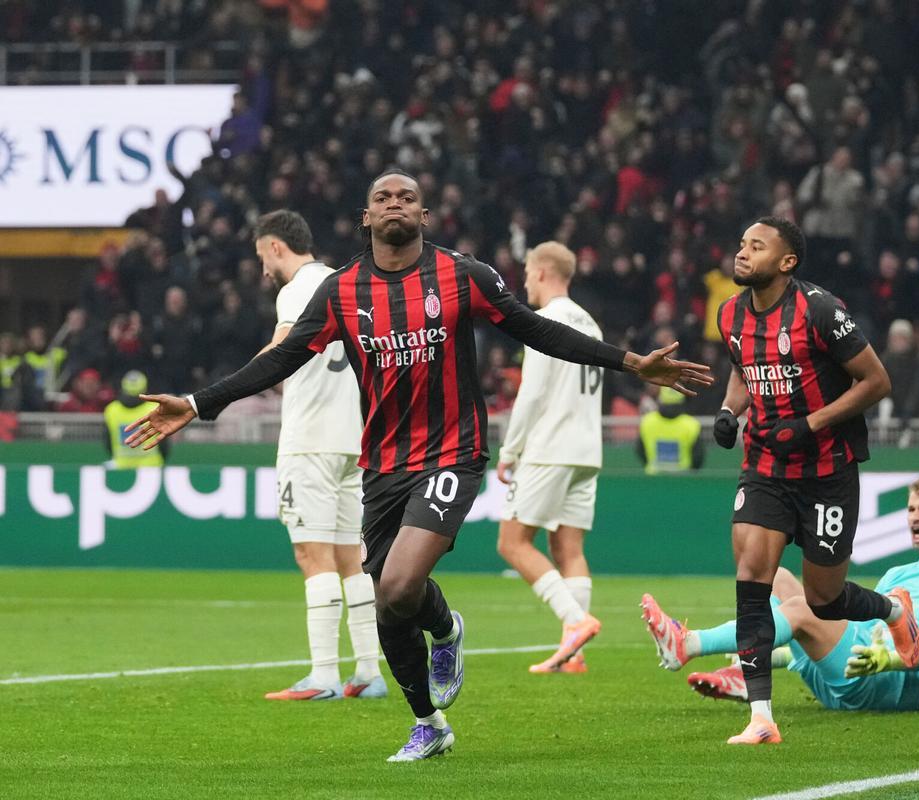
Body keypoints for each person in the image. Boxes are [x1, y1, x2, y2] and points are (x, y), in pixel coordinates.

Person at [125, 169, 713, 762]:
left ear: (424, 215)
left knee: (400, 582)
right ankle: (430, 713)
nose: (395, 204)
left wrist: (632, 363)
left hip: (452, 451)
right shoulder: (342, 291)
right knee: (389, 598)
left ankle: (438, 646)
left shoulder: (463, 276)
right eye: (382, 197)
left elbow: (539, 331)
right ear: (366, 217)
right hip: (381, 465)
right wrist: (200, 403)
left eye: (407, 197)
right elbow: (278, 361)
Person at [674, 215, 917, 746]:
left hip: (828, 470)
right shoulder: (730, 313)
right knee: (752, 574)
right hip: (765, 466)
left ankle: (895, 609)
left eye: (756, 246)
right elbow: (743, 368)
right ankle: (761, 717)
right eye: (741, 243)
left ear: (786, 262)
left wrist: (810, 424)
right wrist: (728, 412)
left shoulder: (821, 310)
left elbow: (876, 381)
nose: (742, 253)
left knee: (824, 598)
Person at [642, 475, 919, 711]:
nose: (915, 516)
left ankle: (689, 644)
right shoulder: (900, 573)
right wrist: (771, 656)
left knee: (803, 608)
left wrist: (889, 659)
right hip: (850, 668)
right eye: (911, 508)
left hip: (888, 682)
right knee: (774, 574)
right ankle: (750, 673)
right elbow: (862, 626)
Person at [252, 210, 385, 703]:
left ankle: (324, 675)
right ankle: (368, 672)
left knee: (312, 555)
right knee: (353, 556)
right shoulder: (348, 283)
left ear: (275, 248)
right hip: (355, 440)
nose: (264, 269)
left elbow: (283, 351)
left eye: (262, 256)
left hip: (309, 439)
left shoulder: (297, 289)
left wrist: (221, 393)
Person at [495, 241, 603, 675]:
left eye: (526, 275)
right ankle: (573, 656)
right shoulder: (591, 324)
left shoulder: (544, 321)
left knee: (513, 542)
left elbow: (532, 393)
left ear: (541, 272)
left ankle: (575, 622)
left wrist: (510, 450)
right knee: (568, 546)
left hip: (551, 446)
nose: (525, 284)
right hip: (587, 449)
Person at [103, 371, 168, 469]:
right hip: (151, 468)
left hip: (121, 467)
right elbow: (164, 442)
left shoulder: (112, 409)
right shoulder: (155, 409)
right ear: (145, 387)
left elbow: (107, 441)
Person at [635, 387, 704, 473]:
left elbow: (640, 450)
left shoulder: (647, 421)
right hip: (682, 480)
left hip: (653, 479)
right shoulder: (691, 424)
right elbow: (698, 456)